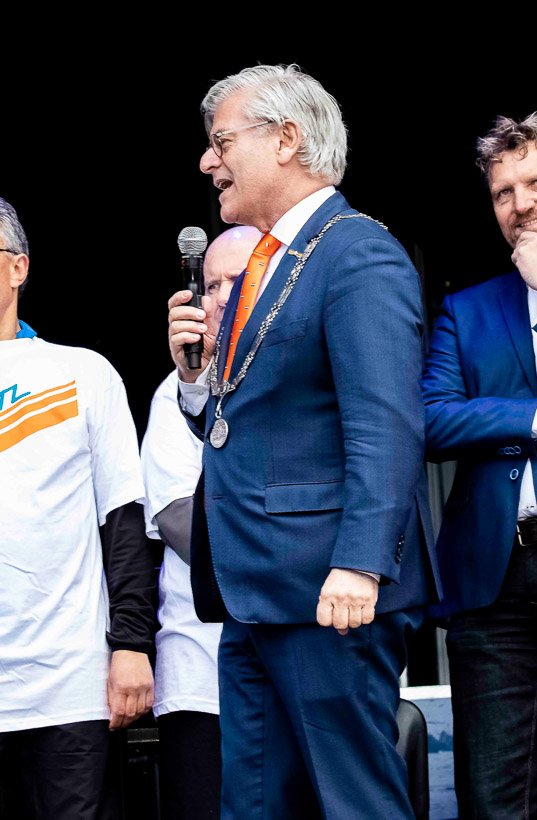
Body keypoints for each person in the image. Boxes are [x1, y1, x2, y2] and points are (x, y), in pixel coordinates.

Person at [168, 64, 442, 820]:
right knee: (254, 804)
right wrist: (194, 382)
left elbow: (385, 423)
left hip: (328, 592)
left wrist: (360, 562)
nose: (207, 160)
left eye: (222, 141)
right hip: (252, 593)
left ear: (286, 139)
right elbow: (248, 426)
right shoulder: (270, 261)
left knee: (354, 803)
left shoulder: (355, 253)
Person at [0, 198, 156, 820]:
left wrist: (131, 645)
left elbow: (125, 521)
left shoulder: (81, 372)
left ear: (18, 268)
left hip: (66, 681)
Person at [423, 112, 537, 818]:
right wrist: (535, 416)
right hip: (494, 582)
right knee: (493, 798)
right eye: (503, 192)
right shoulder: (465, 309)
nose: (519, 204)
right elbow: (431, 419)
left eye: (536, 183)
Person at [141, 226, 260, 820]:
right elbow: (177, 517)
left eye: (235, 280)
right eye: (209, 284)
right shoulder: (175, 392)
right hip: (200, 668)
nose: (218, 296)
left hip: (298, 650)